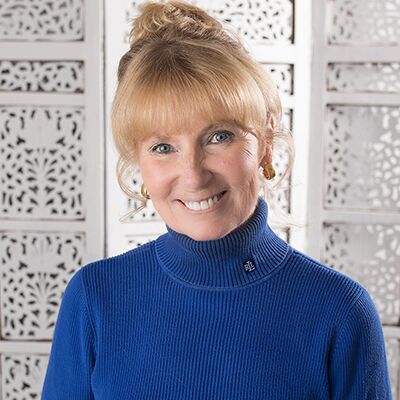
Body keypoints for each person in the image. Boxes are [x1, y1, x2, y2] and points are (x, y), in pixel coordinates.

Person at [41, 1, 392, 399]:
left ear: (265, 142)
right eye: (163, 147)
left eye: (218, 136)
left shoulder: (340, 311)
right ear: (138, 161)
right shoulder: (95, 298)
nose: (193, 175)